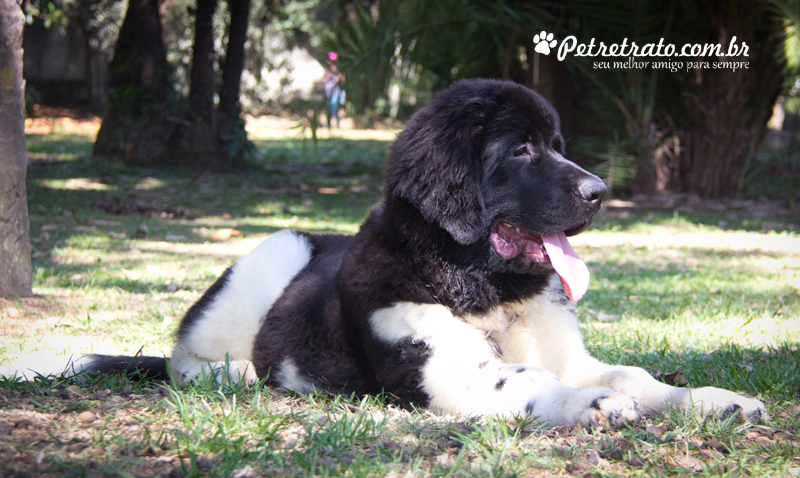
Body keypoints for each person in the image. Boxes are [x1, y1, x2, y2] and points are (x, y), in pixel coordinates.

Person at [323, 52, 346, 129]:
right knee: (329, 106)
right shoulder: (327, 70)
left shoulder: (338, 70)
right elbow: (325, 78)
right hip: (328, 91)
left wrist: (339, 77)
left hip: (336, 92)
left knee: (335, 106)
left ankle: (336, 122)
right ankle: (329, 122)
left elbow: (343, 80)